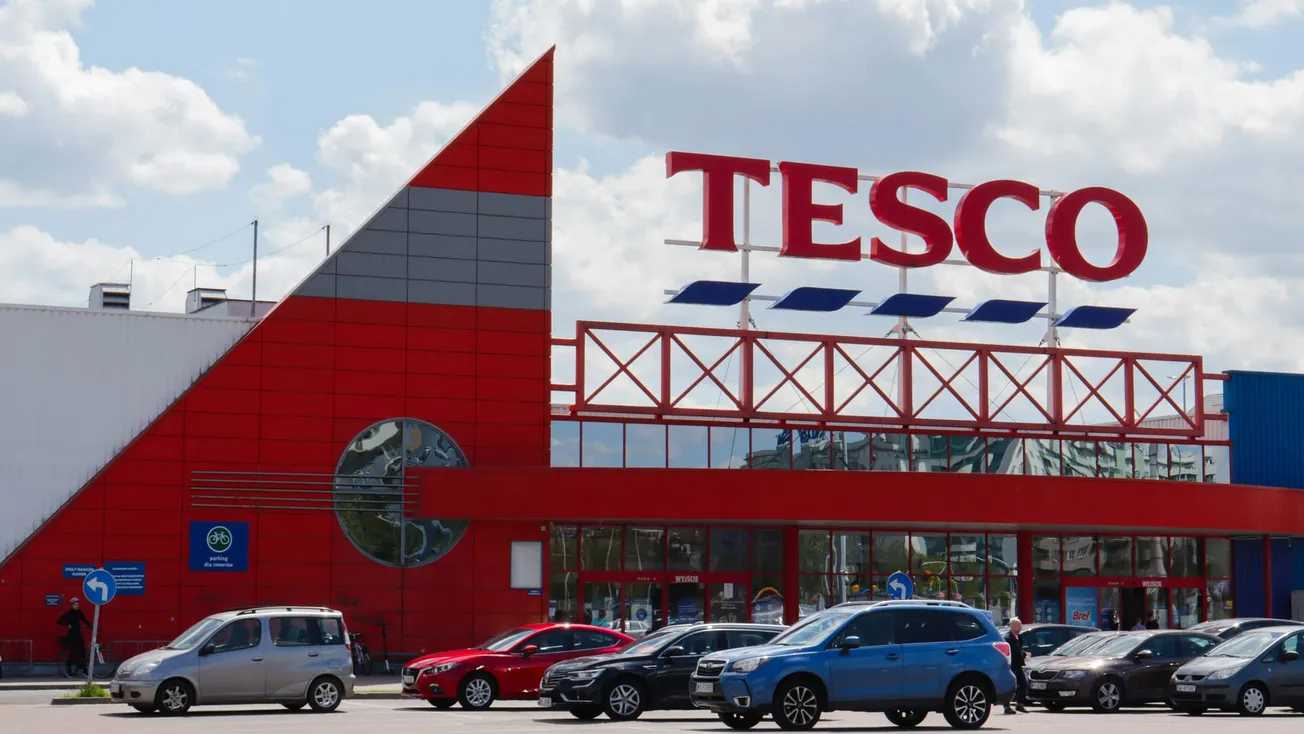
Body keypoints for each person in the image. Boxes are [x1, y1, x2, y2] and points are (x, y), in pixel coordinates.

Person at [57, 598, 92, 678]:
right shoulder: (68, 614)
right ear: (71, 605)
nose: (77, 606)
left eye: (77, 604)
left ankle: (84, 669)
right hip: (72, 635)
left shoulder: (79, 612)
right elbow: (59, 621)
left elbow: (84, 620)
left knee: (83, 651)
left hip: (79, 634)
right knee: (73, 652)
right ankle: (68, 669)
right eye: (75, 604)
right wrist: (67, 624)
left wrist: (92, 626)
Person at [1003, 618, 1029, 714]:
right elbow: (1010, 652)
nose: (1020, 627)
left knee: (1023, 684)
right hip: (1011, 665)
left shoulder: (1019, 637)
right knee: (1010, 686)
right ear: (1012, 626)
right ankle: (1006, 706)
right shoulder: (1008, 638)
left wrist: (1024, 653)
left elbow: (1020, 649)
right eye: (1018, 625)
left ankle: (1020, 704)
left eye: (1021, 625)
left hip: (1018, 664)